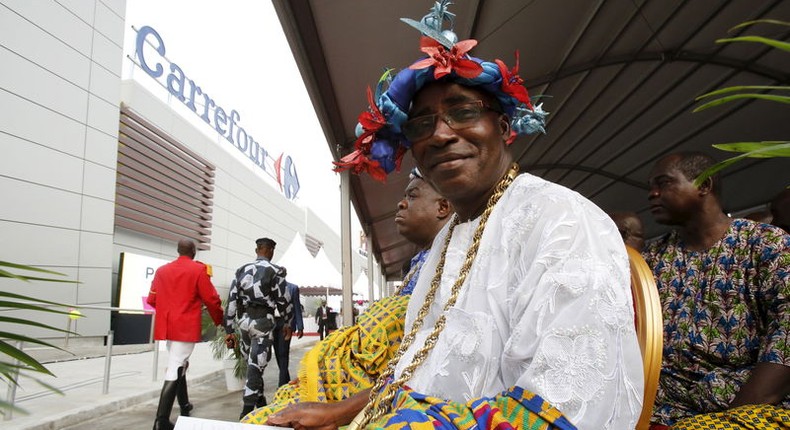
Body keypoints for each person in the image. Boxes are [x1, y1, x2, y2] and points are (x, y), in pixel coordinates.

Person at [268, 4, 643, 429]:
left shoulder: (563, 221)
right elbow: (417, 367)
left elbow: (567, 409)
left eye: (463, 112)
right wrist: (341, 412)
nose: (441, 134)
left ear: (503, 128)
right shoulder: (450, 238)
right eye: (421, 125)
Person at [241, 168, 452, 425]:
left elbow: (418, 367)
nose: (401, 203)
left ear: (443, 207)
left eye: (413, 195)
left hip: (369, 394)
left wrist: (339, 410)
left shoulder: (453, 267)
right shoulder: (423, 262)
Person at [643, 152, 790, 429]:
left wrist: (727, 422)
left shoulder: (766, 245)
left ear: (704, 185)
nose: (652, 193)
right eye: (650, 186)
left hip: (744, 406)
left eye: (663, 183)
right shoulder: (653, 258)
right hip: (661, 407)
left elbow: (786, 340)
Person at [147, 239, 223, 430]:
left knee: (179, 364)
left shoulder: (162, 271)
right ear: (194, 252)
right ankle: (161, 420)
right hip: (185, 326)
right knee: (175, 367)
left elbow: (152, 299)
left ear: (177, 250)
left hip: (168, 326)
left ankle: (184, 405)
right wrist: (219, 320)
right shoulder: (198, 270)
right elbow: (212, 299)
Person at [225, 237, 293, 419]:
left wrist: (229, 330)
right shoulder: (275, 271)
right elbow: (283, 300)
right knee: (256, 365)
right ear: (270, 251)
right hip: (263, 323)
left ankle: (260, 401)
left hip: (245, 323)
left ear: (257, 251)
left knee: (253, 364)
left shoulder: (241, 271)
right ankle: (246, 412)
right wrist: (288, 322)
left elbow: (232, 301)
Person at [273, 281, 304, 387]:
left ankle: (281, 384)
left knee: (283, 352)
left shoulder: (293, 288)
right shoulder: (270, 286)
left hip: (286, 324)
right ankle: (286, 380)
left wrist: (300, 326)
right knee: (278, 353)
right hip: (272, 324)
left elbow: (297, 307)